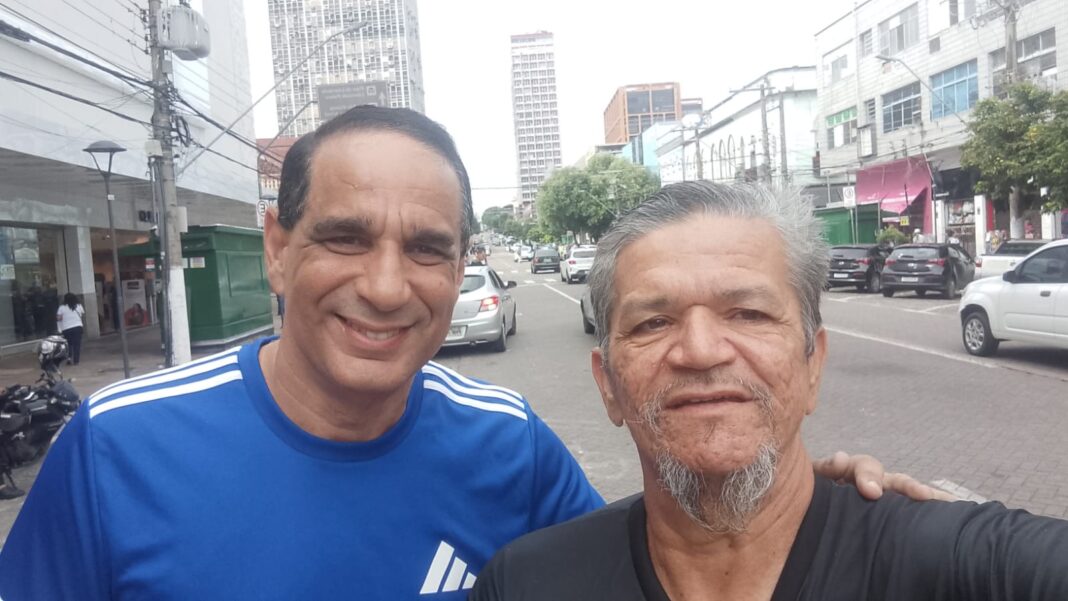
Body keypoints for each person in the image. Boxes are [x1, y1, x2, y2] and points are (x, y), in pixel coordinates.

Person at [0, 110, 930, 600]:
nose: (386, 285)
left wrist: (805, 497)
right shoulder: (116, 446)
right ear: (278, 249)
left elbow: (661, 556)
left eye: (427, 249)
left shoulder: (508, 444)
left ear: (461, 270)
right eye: (346, 237)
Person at [470, 182, 1068, 600]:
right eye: (653, 323)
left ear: (814, 364)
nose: (701, 350)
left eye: (749, 313)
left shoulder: (956, 564)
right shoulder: (527, 584)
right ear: (608, 387)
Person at [55, 292, 85, 365]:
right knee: (77, 345)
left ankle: (69, 358)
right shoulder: (79, 306)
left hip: (66, 328)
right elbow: (82, 314)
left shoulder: (62, 307)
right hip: (77, 327)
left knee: (69, 344)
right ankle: (76, 361)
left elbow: (58, 318)